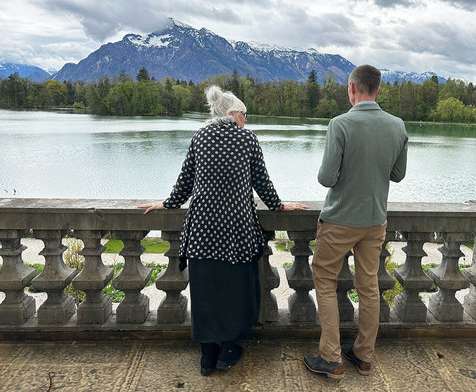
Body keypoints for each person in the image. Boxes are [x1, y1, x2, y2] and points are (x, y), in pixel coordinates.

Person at [139, 85, 307, 377]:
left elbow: (185, 183)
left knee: (206, 289)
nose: (245, 120)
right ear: (232, 114)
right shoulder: (247, 139)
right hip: (236, 230)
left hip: (202, 229)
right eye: (243, 115)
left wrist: (166, 203)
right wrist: (280, 205)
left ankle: (207, 354)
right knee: (236, 288)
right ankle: (228, 347)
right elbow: (262, 184)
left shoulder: (200, 137)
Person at [304, 64, 408, 380]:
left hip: (339, 221)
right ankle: (363, 357)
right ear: (377, 90)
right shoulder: (398, 125)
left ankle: (331, 358)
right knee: (369, 287)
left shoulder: (340, 124)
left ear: (352, 88)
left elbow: (326, 178)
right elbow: (398, 175)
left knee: (324, 281)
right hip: (375, 221)